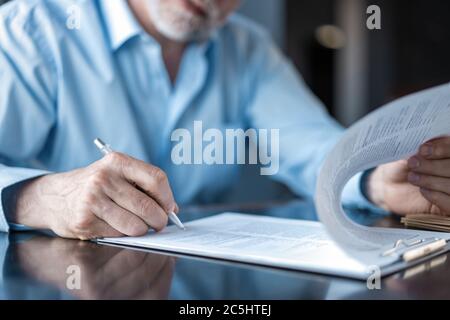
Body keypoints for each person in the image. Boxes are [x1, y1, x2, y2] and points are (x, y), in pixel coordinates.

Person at [0, 0, 449, 240]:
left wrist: (373, 181)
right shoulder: (31, 30)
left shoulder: (247, 49)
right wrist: (38, 197)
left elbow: (314, 149)